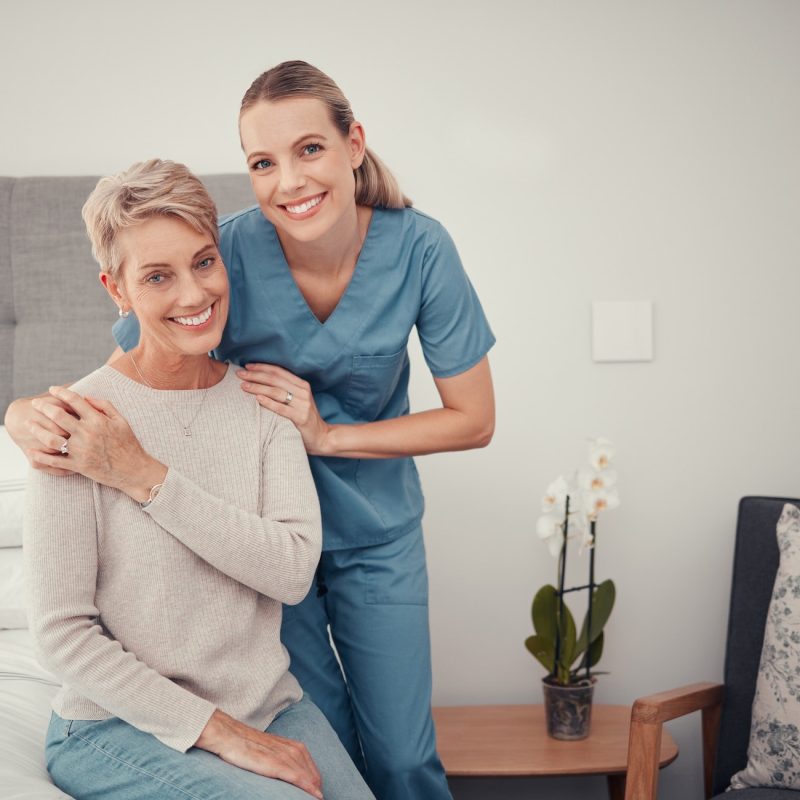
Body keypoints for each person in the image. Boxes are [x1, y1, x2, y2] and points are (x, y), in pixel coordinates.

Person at [8, 60, 496, 800]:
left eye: (309, 150)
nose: (290, 181)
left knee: (401, 757)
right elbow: (139, 359)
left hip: (369, 527)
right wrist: (27, 414)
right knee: (313, 732)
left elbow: (475, 419)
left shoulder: (419, 249)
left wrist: (328, 436)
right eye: (262, 162)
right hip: (255, 556)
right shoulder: (225, 246)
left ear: (353, 144)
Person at [21, 159, 375, 800]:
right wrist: (218, 731)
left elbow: (293, 571)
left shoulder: (263, 403)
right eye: (158, 276)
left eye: (203, 262)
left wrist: (149, 478)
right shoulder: (80, 425)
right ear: (117, 289)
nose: (193, 295)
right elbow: (61, 635)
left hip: (267, 705)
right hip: (115, 727)